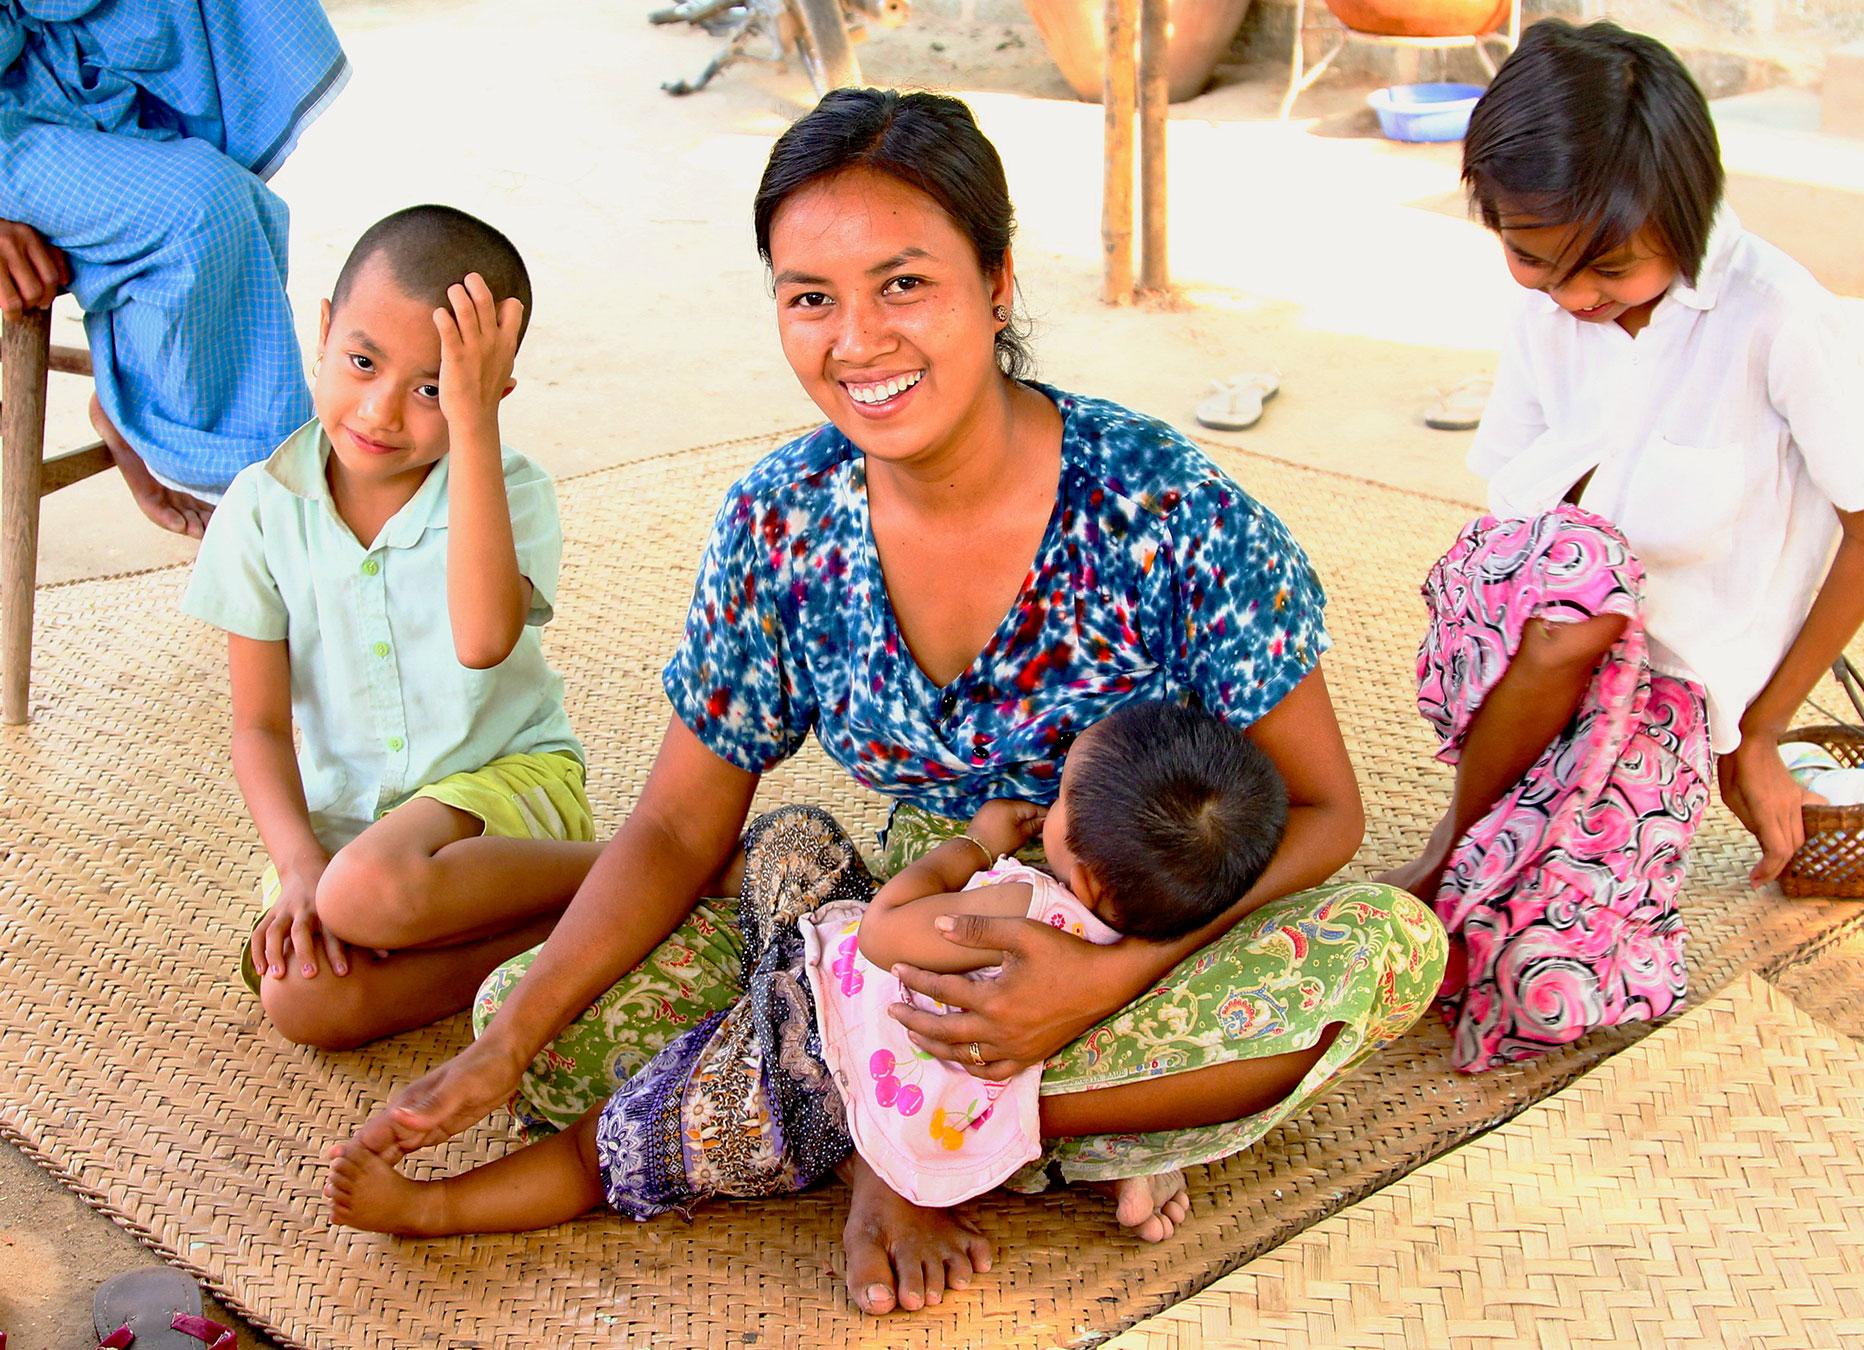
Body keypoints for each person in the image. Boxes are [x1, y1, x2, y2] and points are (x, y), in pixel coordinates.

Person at [339, 89, 1447, 1316]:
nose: (856, 341)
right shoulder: (781, 520)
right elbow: (672, 828)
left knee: (1385, 952)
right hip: (905, 929)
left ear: (996, 283)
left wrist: (1112, 975)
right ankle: (1030, 1121)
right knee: (542, 1022)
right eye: (810, 297)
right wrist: (503, 1047)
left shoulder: (1166, 510)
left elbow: (1324, 811)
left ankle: (903, 1138)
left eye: (903, 284)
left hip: (1140, 908)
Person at [1378, 20, 1864, 1073]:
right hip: (1520, 623)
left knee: (1538, 988)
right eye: (1532, 259)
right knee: (1582, 573)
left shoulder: (1777, 319)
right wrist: (1574, 608)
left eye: (1607, 268)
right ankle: (1453, 845)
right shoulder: (1544, 309)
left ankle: (1498, 849)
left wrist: (1753, 735)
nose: (1571, 296)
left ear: (1683, 211)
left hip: (1658, 694)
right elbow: (1514, 511)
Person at [326, 703, 1289, 1242]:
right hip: (821, 1001)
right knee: (797, 839)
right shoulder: (1118, 931)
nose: (1048, 796)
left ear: (1075, 857)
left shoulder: (1022, 914)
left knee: (605, 1151)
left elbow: (888, 934)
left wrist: (959, 852)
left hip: (803, 1081)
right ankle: (718, 975)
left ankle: (433, 1209)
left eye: (1063, 793)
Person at [182, 206, 603, 1050]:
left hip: (504, 796)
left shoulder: (510, 488)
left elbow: (484, 639)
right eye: (362, 362)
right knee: (301, 999)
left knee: (365, 890)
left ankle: (651, 868)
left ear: (488, 393)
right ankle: (581, 927)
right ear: (326, 330)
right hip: (351, 839)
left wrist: (473, 425)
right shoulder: (263, 509)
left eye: (433, 389)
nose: (380, 412)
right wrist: (300, 864)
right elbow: (259, 728)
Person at [0, 1, 345, 535]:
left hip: (68, 55)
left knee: (239, 206)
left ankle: (146, 396)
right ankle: (265, 506)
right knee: (204, 210)